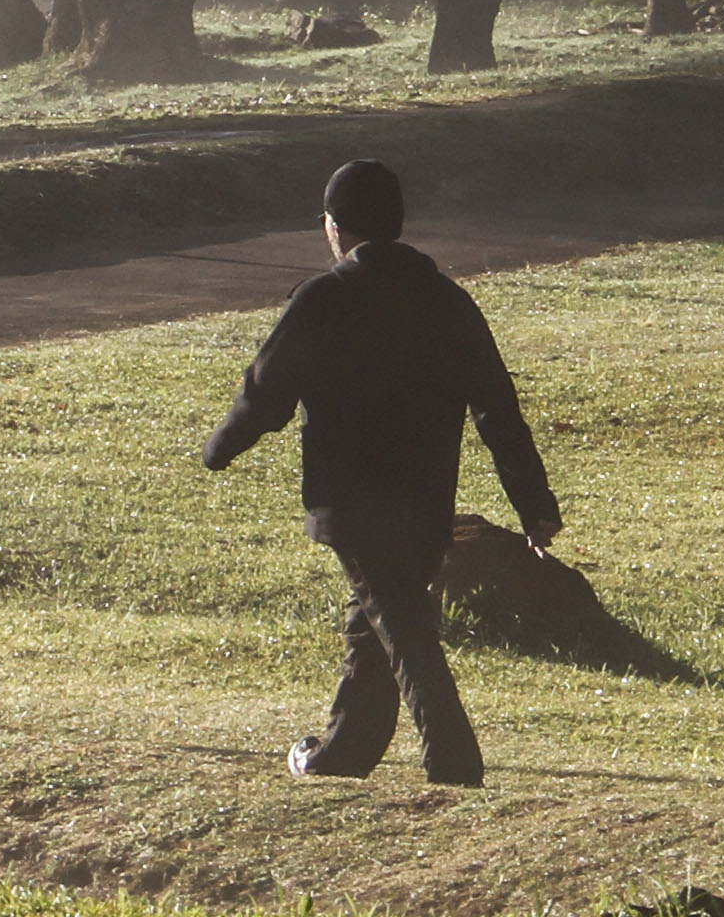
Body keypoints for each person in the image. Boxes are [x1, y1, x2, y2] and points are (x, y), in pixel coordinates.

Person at [197, 157, 559, 788]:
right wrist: (533, 503)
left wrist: (219, 449)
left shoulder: (326, 297)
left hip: (353, 498)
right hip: (425, 496)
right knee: (376, 626)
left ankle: (455, 762)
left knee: (402, 628)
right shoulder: (448, 302)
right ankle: (341, 756)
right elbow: (498, 409)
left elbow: (267, 391)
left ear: (336, 226)